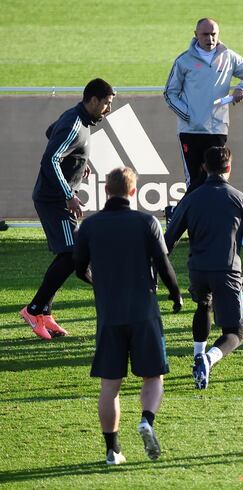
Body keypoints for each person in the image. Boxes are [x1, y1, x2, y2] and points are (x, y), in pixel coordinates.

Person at [73, 167, 183, 465]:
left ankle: (113, 450)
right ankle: (147, 419)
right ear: (133, 192)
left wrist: (99, 282)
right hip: (144, 312)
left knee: (110, 385)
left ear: (106, 190)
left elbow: (79, 266)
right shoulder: (146, 222)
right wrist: (176, 296)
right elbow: (163, 265)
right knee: (153, 375)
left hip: (109, 314)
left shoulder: (90, 227)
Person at [20, 78, 116, 340]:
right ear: (93, 100)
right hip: (54, 200)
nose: (108, 109)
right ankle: (35, 309)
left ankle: (44, 312)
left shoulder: (78, 118)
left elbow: (51, 133)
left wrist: (77, 159)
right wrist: (68, 194)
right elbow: (50, 158)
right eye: (106, 104)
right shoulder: (76, 124)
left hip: (56, 197)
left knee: (70, 253)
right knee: (72, 254)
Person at [165, 146, 243, 390]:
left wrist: (159, 274)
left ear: (204, 168)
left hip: (198, 269)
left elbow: (168, 239)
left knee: (203, 304)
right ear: (229, 167)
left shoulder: (191, 198)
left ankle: (198, 354)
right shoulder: (241, 199)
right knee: (235, 332)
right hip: (227, 270)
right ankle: (208, 358)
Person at [164, 17, 243, 216]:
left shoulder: (229, 56)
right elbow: (169, 93)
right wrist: (187, 115)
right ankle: (182, 216)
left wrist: (242, 87)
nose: (210, 38)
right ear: (196, 35)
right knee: (196, 180)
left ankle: (188, 216)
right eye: (205, 34)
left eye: (214, 34)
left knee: (215, 179)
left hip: (217, 129)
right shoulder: (184, 60)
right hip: (190, 131)